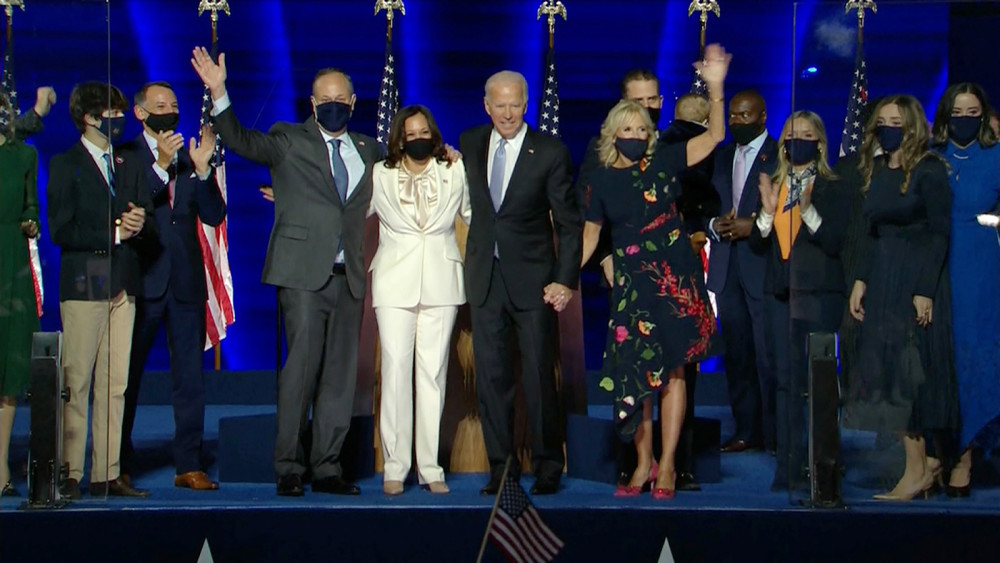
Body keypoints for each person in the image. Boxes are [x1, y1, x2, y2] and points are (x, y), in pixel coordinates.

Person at [192, 48, 382, 497]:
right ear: (312, 104)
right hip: (302, 276)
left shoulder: (368, 149)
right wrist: (219, 92)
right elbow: (241, 140)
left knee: (339, 376)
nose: (333, 105)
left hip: (350, 277)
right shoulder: (288, 138)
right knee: (300, 371)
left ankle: (328, 466)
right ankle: (289, 467)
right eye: (324, 99)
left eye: (340, 99)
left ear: (353, 102)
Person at [579, 44, 729, 500]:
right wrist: (561, 278)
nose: (637, 132)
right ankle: (642, 463)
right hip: (632, 284)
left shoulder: (665, 157)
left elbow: (715, 136)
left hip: (675, 280)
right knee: (637, 376)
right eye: (628, 126)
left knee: (675, 373)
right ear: (613, 131)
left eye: (643, 126)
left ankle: (669, 466)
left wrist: (716, 88)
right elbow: (589, 236)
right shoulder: (600, 174)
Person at [459, 70, 582, 496]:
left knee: (538, 379)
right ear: (486, 105)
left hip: (534, 283)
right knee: (491, 381)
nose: (508, 113)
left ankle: (548, 465)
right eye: (500, 105)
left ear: (526, 106)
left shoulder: (549, 151)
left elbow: (568, 223)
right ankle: (501, 468)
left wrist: (564, 280)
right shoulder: (470, 142)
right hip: (485, 280)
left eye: (515, 105)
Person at [847, 95, 958, 501]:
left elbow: (939, 233)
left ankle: (918, 471)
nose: (886, 129)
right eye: (881, 122)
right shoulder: (879, 169)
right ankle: (922, 465)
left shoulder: (929, 169)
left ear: (911, 125)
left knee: (909, 374)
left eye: (895, 122)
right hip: (882, 278)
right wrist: (860, 280)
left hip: (914, 279)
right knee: (887, 374)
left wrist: (924, 289)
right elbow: (871, 231)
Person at [47, 82, 154, 498]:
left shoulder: (128, 163)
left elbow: (144, 214)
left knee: (115, 383)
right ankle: (70, 471)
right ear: (89, 118)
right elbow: (61, 229)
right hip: (85, 280)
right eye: (111, 113)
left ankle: (106, 472)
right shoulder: (66, 164)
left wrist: (139, 222)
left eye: (120, 111)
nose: (119, 119)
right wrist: (114, 232)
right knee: (76, 381)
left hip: (123, 281)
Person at [119, 82, 226, 491]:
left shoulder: (189, 155)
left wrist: (203, 171)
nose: (169, 110)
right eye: (160, 105)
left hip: (185, 283)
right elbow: (132, 207)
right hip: (142, 280)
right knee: (125, 378)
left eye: (174, 104)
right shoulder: (126, 156)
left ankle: (189, 464)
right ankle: (117, 463)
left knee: (190, 379)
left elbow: (214, 215)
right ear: (140, 112)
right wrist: (161, 166)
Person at [370, 105, 471, 496]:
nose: (417, 139)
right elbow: (346, 208)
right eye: (410, 134)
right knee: (396, 371)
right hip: (394, 283)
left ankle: (430, 468)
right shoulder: (380, 174)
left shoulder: (454, 170)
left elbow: (475, 215)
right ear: (399, 139)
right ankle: (396, 467)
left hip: (441, 283)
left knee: (433, 375)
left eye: (423, 133)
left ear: (434, 135)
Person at [748, 111, 848, 492]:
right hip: (781, 295)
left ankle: (823, 469)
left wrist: (808, 211)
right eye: (791, 134)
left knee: (820, 384)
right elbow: (758, 242)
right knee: (785, 381)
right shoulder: (774, 182)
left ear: (819, 143)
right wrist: (767, 212)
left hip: (819, 295)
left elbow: (835, 241)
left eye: (806, 135)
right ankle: (788, 468)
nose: (797, 141)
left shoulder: (833, 186)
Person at [930, 82, 1000, 497]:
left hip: (980, 265)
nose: (965, 119)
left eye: (973, 113)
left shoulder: (996, 155)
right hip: (936, 262)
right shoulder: (931, 156)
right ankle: (939, 451)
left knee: (974, 351)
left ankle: (967, 455)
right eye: (958, 112)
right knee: (941, 355)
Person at [707, 89, 779, 454]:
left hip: (763, 265)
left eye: (744, 116)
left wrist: (756, 225)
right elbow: (705, 204)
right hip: (727, 267)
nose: (737, 122)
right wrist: (713, 224)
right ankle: (746, 430)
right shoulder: (721, 157)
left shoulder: (780, 155)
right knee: (736, 353)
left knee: (768, 354)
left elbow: (792, 211)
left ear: (763, 116)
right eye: (733, 116)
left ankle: (775, 432)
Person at [0, 93, 41, 497]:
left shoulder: (23, 156)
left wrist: (31, 222)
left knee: (8, 365)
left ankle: (0, 467)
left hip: (10, 261)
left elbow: (31, 206)